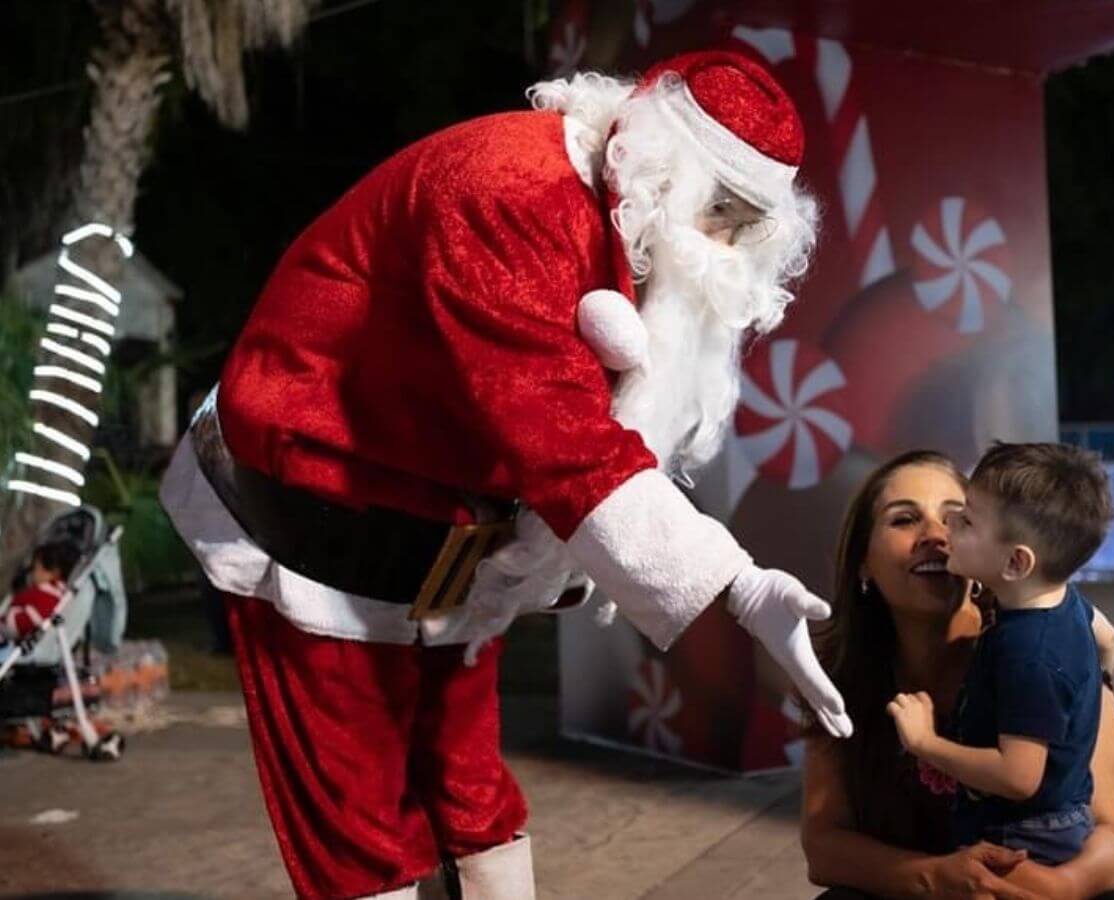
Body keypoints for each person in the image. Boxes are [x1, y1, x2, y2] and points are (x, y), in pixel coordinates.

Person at [160, 50, 850, 900]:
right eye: (722, 212)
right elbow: (562, 438)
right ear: (666, 163)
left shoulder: (621, 214)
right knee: (354, 802)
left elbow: (581, 433)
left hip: (446, 529)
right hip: (319, 487)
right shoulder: (505, 190)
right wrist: (737, 588)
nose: (724, 247)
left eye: (749, 226)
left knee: (468, 778)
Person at [802, 451, 1114, 899]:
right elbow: (823, 846)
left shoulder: (1043, 655)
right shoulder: (840, 685)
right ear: (862, 563)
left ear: (1013, 558)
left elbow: (1112, 837)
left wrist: (1058, 887)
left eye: (957, 517)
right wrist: (935, 876)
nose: (937, 535)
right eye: (905, 519)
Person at [887, 442, 1113, 867]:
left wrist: (923, 741)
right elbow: (1109, 639)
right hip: (1061, 819)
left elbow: (1018, 777)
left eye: (967, 520)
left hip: (1026, 840)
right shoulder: (1066, 600)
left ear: (1015, 563)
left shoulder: (1028, 655)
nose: (948, 524)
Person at [0, 540, 79, 646]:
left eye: (35, 568)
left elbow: (13, 627)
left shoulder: (42, 596)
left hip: (12, 644)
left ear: (54, 573)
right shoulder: (63, 596)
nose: (32, 573)